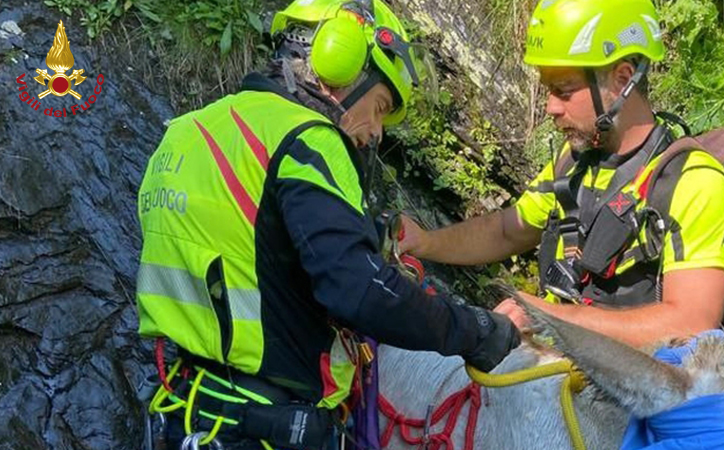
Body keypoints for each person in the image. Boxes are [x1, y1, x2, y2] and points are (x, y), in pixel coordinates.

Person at [134, 1, 519, 449]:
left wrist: (364, 235)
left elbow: (250, 243)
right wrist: (478, 331)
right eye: (378, 106)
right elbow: (360, 291)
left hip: (185, 410)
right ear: (341, 63)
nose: (375, 131)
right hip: (269, 425)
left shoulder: (187, 131)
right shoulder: (307, 138)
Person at [399, 0, 724, 349]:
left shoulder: (694, 181)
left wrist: (548, 317)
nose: (550, 108)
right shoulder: (575, 161)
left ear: (622, 80)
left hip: (645, 390)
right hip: (566, 371)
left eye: (563, 90)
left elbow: (693, 322)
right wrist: (424, 242)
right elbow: (508, 231)